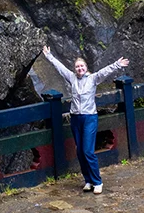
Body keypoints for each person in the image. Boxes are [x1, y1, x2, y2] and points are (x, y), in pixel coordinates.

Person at [42, 46, 129, 194]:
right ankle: (88, 180)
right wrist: (49, 56)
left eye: (82, 66)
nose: (79, 68)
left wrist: (116, 65)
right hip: (76, 118)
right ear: (75, 69)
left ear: (86, 67)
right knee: (80, 151)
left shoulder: (93, 79)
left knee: (88, 150)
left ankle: (97, 181)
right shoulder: (72, 78)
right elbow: (60, 68)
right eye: (77, 66)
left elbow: (104, 72)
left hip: (89, 117)